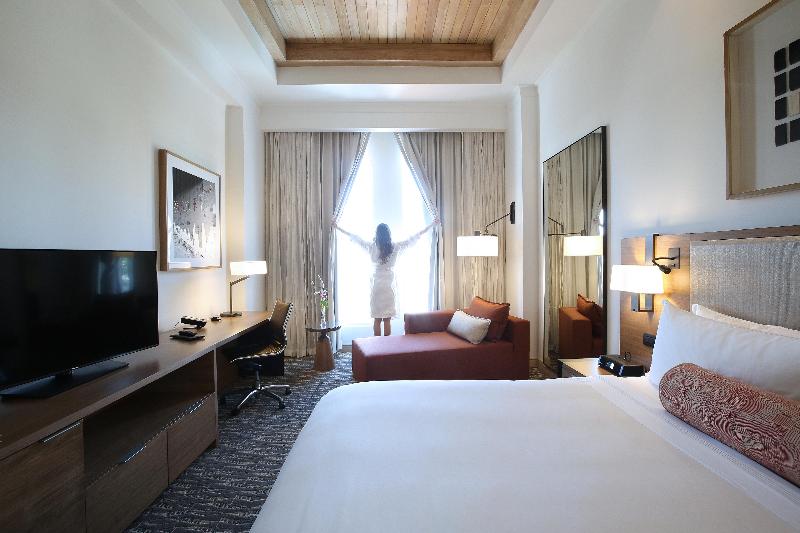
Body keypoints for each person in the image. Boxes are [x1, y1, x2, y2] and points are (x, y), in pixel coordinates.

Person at [333, 218, 438, 336]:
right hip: (389, 286)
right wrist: (431, 225)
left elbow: (356, 238)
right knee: (387, 319)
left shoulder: (371, 247)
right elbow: (413, 238)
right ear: (389, 234)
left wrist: (338, 228)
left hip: (377, 286)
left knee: (377, 319)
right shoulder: (395, 247)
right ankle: (386, 345)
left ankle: (378, 345)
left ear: (377, 235)